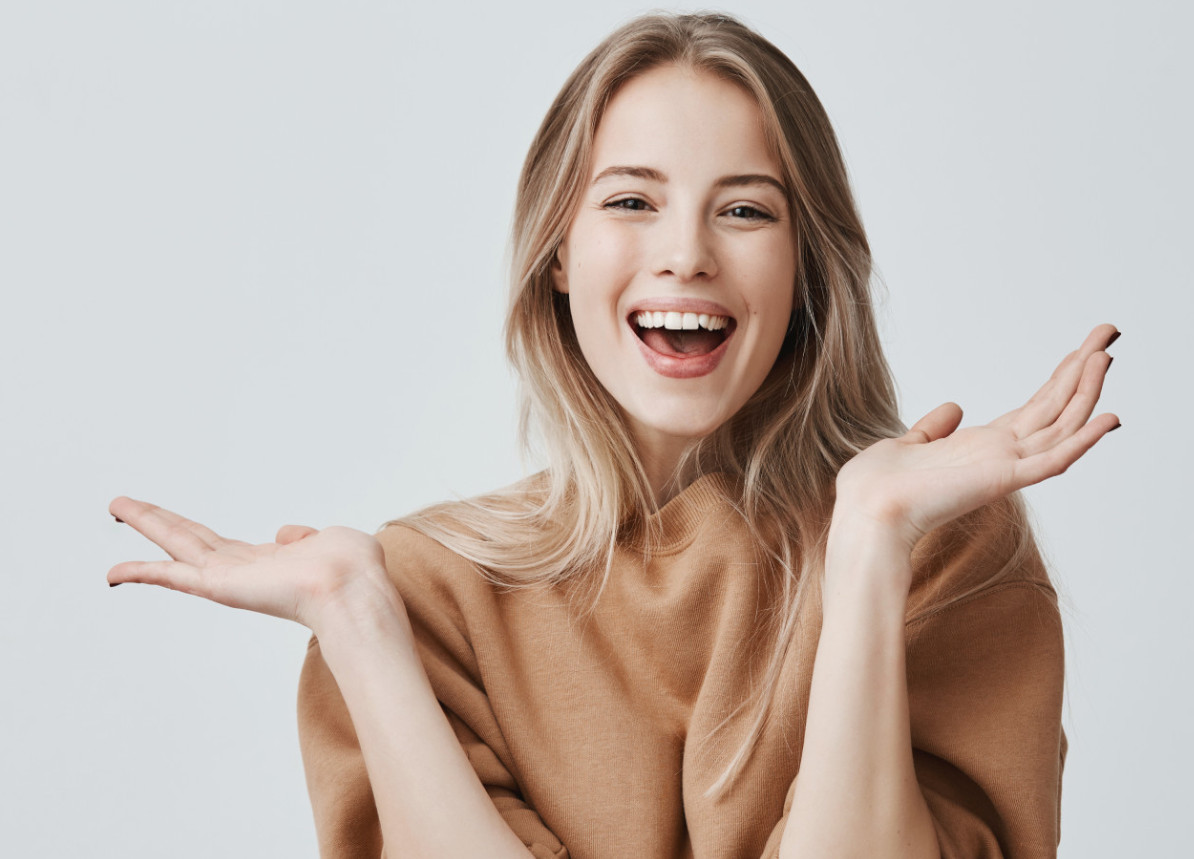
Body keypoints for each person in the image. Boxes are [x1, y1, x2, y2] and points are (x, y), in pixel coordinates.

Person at [105, 11, 1119, 859]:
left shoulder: (937, 543)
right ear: (557, 252)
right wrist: (359, 621)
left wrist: (864, 548)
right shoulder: (430, 593)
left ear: (809, 268)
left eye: (747, 211)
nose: (685, 254)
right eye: (631, 200)